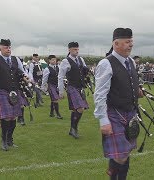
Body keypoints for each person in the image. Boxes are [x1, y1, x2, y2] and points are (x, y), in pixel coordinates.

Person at [94, 27, 141, 179]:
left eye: (131, 41)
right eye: (127, 42)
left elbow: (128, 81)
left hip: (130, 113)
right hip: (114, 113)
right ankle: (112, 174)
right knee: (121, 155)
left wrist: (137, 90)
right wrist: (103, 120)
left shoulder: (131, 62)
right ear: (116, 43)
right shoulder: (106, 64)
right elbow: (100, 94)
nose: (131, 44)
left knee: (126, 152)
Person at [0, 39, 27, 151]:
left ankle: (10, 139)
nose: (8, 49)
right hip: (3, 92)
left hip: (15, 92)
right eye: (6, 47)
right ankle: (3, 140)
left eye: (9, 47)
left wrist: (29, 79)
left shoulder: (16, 59)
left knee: (13, 116)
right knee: (6, 118)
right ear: (0, 48)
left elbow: (22, 72)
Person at [58, 42, 89, 139]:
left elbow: (84, 71)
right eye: (75, 49)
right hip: (72, 87)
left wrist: (86, 72)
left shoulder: (81, 59)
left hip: (80, 87)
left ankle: (72, 129)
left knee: (75, 109)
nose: (77, 51)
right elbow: (60, 76)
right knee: (80, 108)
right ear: (69, 50)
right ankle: (74, 129)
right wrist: (61, 90)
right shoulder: (65, 61)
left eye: (77, 49)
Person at [41, 55, 62, 119]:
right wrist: (43, 88)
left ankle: (51, 113)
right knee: (55, 99)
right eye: (52, 60)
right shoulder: (47, 69)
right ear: (49, 61)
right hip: (51, 86)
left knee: (53, 100)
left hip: (57, 85)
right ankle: (58, 114)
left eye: (55, 59)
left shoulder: (58, 67)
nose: (54, 61)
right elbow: (44, 79)